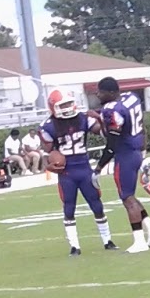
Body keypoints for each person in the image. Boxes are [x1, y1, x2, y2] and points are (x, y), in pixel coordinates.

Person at [39, 91, 116, 255]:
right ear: (54, 107)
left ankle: (107, 240)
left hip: (84, 168)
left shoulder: (82, 118)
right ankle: (74, 246)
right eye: (63, 105)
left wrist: (101, 119)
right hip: (67, 173)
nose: (67, 108)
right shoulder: (49, 125)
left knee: (97, 205)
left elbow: (101, 132)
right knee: (69, 208)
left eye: (68, 103)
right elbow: (47, 151)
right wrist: (49, 158)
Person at [94, 77, 150, 253]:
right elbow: (141, 126)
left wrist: (99, 166)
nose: (97, 94)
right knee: (131, 196)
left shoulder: (112, 110)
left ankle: (139, 241)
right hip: (136, 151)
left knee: (127, 198)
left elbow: (112, 143)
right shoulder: (130, 97)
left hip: (124, 155)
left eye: (100, 91)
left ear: (110, 93)